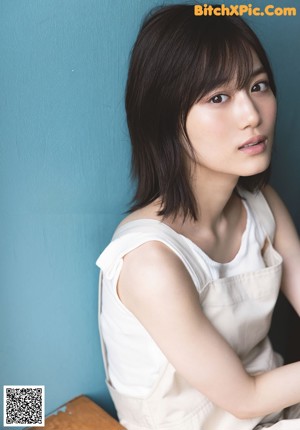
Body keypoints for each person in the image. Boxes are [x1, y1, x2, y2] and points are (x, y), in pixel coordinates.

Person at [96, 4, 300, 429]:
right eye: (218, 98)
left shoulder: (263, 206)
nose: (251, 115)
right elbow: (245, 399)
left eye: (258, 86)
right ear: (167, 119)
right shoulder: (150, 261)